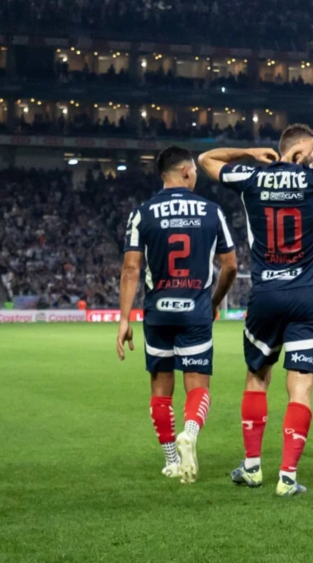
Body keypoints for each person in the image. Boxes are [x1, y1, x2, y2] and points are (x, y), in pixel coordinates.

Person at [197, 124, 313, 496]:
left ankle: (251, 468)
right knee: (301, 386)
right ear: (302, 149)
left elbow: (205, 159)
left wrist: (250, 153)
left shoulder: (251, 178)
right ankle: (288, 477)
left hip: (266, 293)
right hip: (308, 296)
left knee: (257, 376)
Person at [116, 146, 238, 484]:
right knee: (197, 386)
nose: (196, 175)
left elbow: (131, 268)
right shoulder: (211, 211)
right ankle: (190, 433)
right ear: (185, 171)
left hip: (157, 313)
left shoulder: (142, 213)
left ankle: (171, 460)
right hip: (195, 311)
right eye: (195, 170)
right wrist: (214, 301)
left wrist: (124, 319)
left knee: (160, 390)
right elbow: (230, 266)